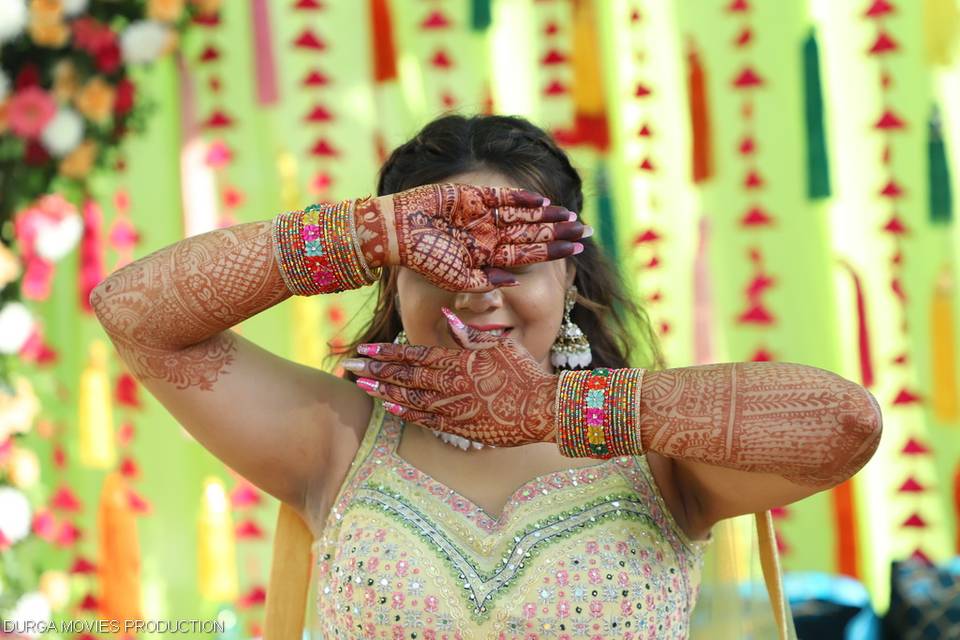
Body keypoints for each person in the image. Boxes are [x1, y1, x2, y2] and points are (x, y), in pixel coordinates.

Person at [89, 114, 882, 639]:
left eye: (512, 263)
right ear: (391, 281)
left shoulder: (662, 456)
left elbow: (845, 424)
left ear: (570, 281)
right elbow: (131, 311)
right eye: (434, 261)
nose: (475, 291)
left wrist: (557, 408)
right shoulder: (338, 444)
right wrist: (367, 228)